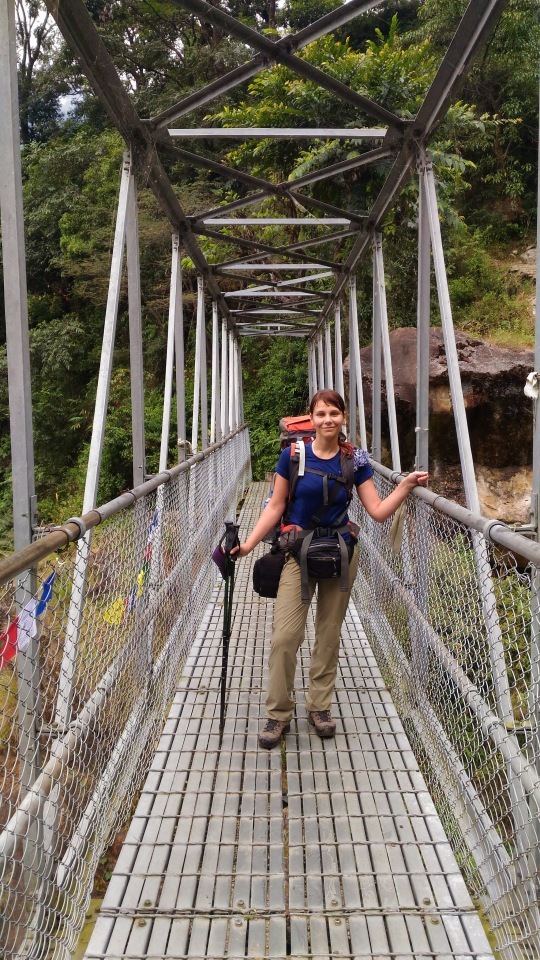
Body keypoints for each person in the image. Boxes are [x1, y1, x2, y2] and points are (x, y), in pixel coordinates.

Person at [234, 389, 428, 749]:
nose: (327, 420)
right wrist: (246, 545)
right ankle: (278, 714)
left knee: (329, 633)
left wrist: (404, 485)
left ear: (343, 417)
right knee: (284, 637)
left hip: (341, 553)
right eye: (321, 414)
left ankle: (319, 707)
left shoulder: (356, 461)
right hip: (298, 554)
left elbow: (377, 511)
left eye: (334, 413)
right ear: (311, 418)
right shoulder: (291, 457)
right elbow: (276, 506)